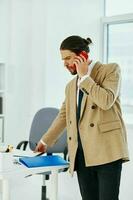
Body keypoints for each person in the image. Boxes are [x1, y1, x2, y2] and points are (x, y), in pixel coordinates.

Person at [35, 35, 129, 200]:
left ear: (82, 56)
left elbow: (106, 101)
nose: (65, 63)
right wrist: (44, 142)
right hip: (81, 154)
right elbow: (63, 115)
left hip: (107, 152)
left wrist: (85, 77)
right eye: (63, 59)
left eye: (68, 58)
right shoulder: (71, 86)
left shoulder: (110, 70)